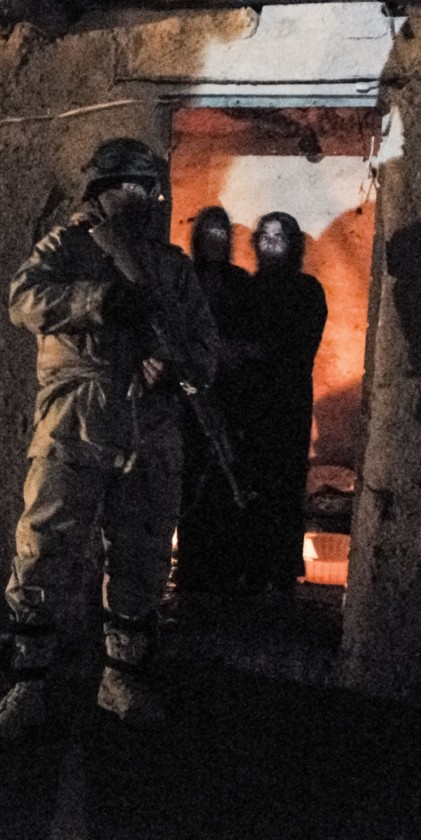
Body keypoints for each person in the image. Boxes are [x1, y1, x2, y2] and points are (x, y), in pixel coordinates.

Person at [0, 138, 219, 749]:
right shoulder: (67, 247)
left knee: (141, 559)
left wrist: (172, 367)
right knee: (44, 552)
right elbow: (23, 300)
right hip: (76, 421)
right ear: (103, 189)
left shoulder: (170, 267)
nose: (140, 199)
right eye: (129, 187)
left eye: (147, 189)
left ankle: (121, 681)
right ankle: (27, 688)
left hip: (148, 430)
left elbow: (203, 353)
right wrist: (98, 301)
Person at [231, 212, 327, 594]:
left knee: (285, 487)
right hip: (250, 405)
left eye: (280, 236)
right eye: (265, 235)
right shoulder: (247, 289)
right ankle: (251, 569)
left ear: (293, 245)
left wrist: (253, 351)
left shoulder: (307, 291)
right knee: (251, 484)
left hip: (287, 403)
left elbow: (299, 348)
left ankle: (282, 573)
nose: (271, 242)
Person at [174, 206, 251, 592]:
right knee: (190, 480)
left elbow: (251, 332)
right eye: (209, 232)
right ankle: (190, 571)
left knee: (224, 478)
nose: (216, 240)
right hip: (189, 394)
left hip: (230, 394)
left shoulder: (239, 282)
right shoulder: (184, 277)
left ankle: (225, 572)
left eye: (222, 232)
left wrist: (234, 352)